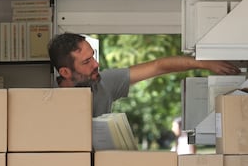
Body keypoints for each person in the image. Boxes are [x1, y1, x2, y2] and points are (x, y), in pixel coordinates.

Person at [48, 32, 241, 117]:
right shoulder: (46, 104)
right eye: (86, 62)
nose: (96, 64)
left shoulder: (104, 82)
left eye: (93, 57)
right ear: (65, 72)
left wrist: (205, 63)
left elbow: (159, 66)